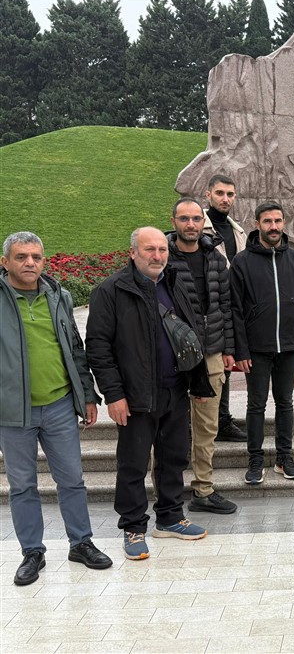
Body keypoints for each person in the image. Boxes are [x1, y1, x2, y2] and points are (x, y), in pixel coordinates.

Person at [86, 227, 213, 560]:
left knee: (174, 458)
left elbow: (192, 333)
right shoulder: (111, 291)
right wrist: (113, 395)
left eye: (162, 249)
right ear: (132, 253)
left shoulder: (174, 282)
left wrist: (198, 381)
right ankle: (133, 527)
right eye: (149, 250)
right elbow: (98, 348)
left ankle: (170, 518)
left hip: (175, 390)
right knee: (133, 465)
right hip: (136, 396)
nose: (157, 256)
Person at [0, 232, 113, 585]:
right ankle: (32, 551)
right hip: (12, 411)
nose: (30, 263)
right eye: (21, 257)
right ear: (5, 262)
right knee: (22, 486)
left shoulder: (58, 296)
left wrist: (88, 395)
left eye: (35, 256)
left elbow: (75, 349)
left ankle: (81, 543)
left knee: (72, 480)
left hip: (60, 404)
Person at [230, 202, 294, 485]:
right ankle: (255, 459)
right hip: (257, 348)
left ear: (284, 223)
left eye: (278, 221)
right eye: (268, 221)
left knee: (285, 402)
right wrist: (240, 350)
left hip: (290, 346)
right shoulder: (242, 262)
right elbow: (236, 310)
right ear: (257, 224)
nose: (274, 226)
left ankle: (284, 457)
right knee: (256, 405)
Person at [166, 198, 238, 515]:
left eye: (196, 219)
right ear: (174, 221)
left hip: (210, 354)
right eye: (185, 219)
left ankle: (203, 489)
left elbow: (226, 308)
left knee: (206, 427)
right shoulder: (162, 258)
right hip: (170, 355)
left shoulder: (215, 258)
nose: (191, 224)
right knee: (168, 426)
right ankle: (165, 490)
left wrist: (228, 350)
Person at [203, 174, 247, 443]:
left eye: (230, 194)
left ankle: (222, 419)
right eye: (220, 193)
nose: (225, 198)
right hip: (206, 308)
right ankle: (203, 421)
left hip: (232, 306)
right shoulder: (198, 227)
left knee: (226, 365)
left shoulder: (238, 231)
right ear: (208, 195)